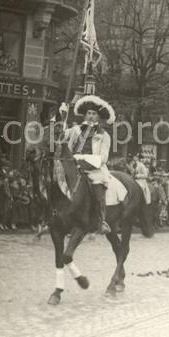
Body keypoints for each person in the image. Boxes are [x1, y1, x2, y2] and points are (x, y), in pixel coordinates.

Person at [66, 95, 115, 235]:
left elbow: (103, 157)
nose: (91, 116)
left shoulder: (104, 135)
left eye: (94, 114)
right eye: (89, 113)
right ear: (84, 115)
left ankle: (101, 220)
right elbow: (64, 140)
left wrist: (85, 161)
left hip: (94, 168)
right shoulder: (75, 130)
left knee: (98, 190)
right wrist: (61, 115)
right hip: (73, 164)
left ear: (98, 117)